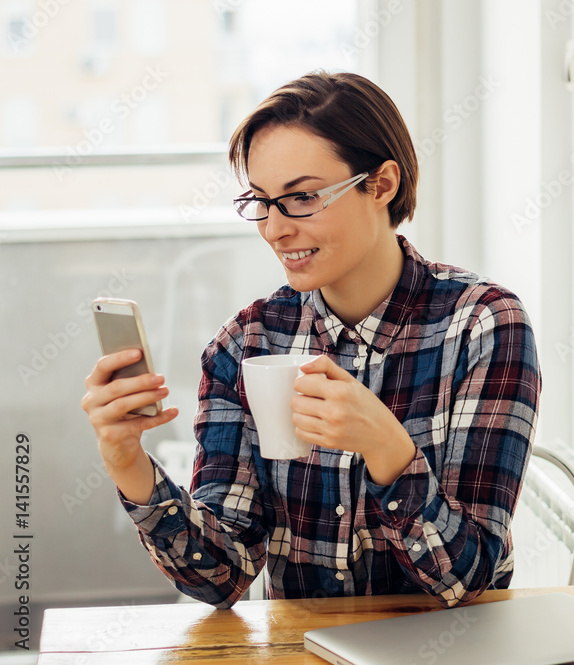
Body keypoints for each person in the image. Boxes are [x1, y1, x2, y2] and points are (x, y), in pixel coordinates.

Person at [81, 71, 541, 610]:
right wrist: (128, 463)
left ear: (382, 184)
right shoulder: (245, 344)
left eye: (301, 197)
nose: (275, 229)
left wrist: (387, 449)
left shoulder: (483, 326)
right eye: (261, 201)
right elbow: (220, 576)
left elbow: (470, 581)